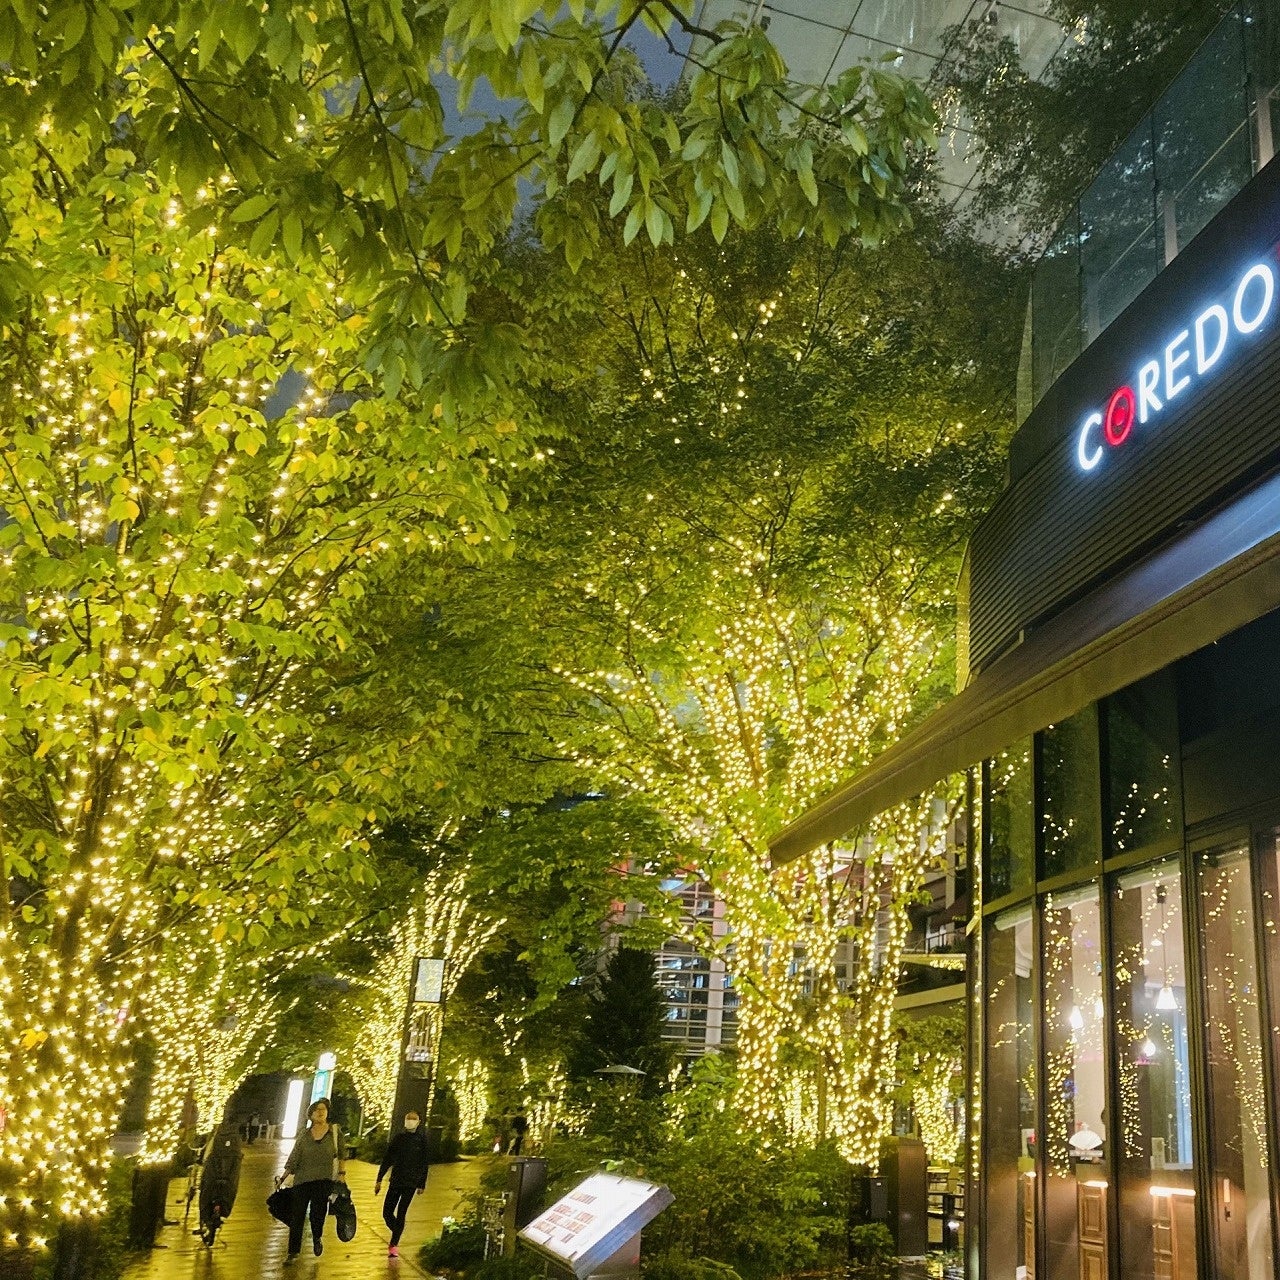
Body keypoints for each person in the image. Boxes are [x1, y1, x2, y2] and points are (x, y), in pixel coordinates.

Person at [281, 1097, 346, 1260]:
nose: (320, 1112)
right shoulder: (304, 1134)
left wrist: (341, 1175)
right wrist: (284, 1176)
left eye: (323, 1109)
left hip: (323, 1180)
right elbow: (295, 1155)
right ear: (310, 1114)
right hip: (302, 1179)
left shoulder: (334, 1132)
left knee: (317, 1214)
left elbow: (342, 1155)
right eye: (317, 1110)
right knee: (297, 1216)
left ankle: (317, 1237)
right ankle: (293, 1251)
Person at [374, 1110, 431, 1259]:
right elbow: (388, 1158)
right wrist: (379, 1178)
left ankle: (394, 1244)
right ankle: (397, 1230)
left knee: (402, 1211)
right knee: (387, 1212)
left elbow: (424, 1163)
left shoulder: (421, 1140)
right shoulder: (398, 1139)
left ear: (418, 1122)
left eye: (414, 1119)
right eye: (408, 1118)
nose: (411, 1121)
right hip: (396, 1180)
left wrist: (421, 1183)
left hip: (410, 1182)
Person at [198, 1117, 243, 1237]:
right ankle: (223, 1212)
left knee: (205, 1192)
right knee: (228, 1193)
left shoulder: (216, 1136)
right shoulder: (236, 1139)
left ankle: (205, 1217)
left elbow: (207, 1155)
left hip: (213, 1174)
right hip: (228, 1176)